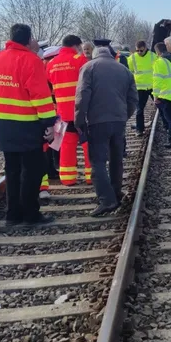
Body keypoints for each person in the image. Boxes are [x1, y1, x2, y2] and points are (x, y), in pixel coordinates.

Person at [0, 24, 57, 224]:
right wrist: (49, 122)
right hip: (28, 126)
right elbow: (40, 95)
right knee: (32, 171)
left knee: (12, 171)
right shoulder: (31, 60)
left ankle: (13, 215)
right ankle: (31, 214)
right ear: (29, 39)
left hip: (5, 125)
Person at [75, 39, 138, 216]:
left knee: (98, 161)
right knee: (116, 159)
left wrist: (79, 120)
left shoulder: (89, 68)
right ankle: (116, 194)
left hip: (97, 122)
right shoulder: (124, 70)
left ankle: (107, 200)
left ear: (94, 54)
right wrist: (123, 116)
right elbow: (133, 99)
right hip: (118, 122)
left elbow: (82, 96)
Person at [46, 35, 92, 187]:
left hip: (62, 113)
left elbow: (49, 88)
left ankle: (67, 178)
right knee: (87, 143)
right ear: (76, 46)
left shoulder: (51, 63)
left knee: (66, 145)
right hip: (81, 111)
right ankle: (91, 176)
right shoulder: (80, 60)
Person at [127, 40, 155, 134]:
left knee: (162, 107)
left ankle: (167, 128)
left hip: (152, 86)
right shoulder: (132, 58)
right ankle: (139, 129)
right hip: (140, 87)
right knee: (139, 109)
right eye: (137, 50)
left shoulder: (152, 56)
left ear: (145, 48)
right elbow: (130, 69)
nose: (139, 52)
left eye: (141, 50)